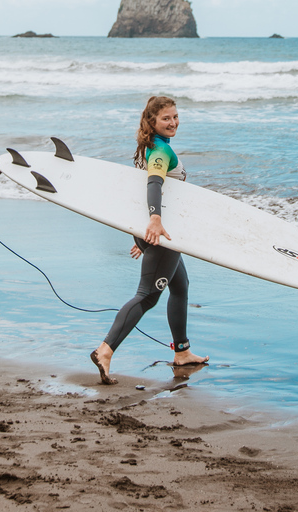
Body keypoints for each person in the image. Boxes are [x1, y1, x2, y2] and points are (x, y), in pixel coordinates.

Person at [90, 96, 209, 385]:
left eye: (176, 117)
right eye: (166, 118)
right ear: (152, 121)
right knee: (147, 295)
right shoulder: (159, 150)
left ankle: (182, 352)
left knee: (180, 286)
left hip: (155, 230)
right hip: (162, 232)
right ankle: (105, 350)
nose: (173, 122)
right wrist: (154, 221)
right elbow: (154, 182)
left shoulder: (148, 146)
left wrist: (142, 234)